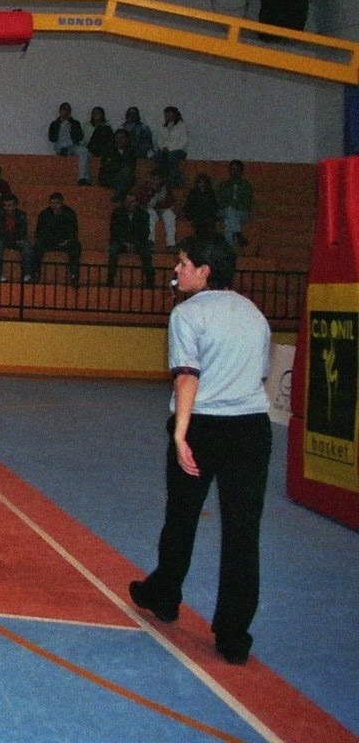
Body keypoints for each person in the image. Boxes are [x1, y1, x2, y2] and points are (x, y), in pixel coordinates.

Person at [129, 235, 272, 665]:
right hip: (252, 429)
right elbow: (259, 376)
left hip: (203, 426)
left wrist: (181, 434)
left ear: (205, 271)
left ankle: (165, 594)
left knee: (182, 515)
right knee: (243, 532)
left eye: (184, 263)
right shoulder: (254, 314)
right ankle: (233, 634)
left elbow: (187, 377)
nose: (177, 270)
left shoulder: (187, 313)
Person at [30, 192, 82, 285]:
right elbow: (39, 231)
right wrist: (50, 239)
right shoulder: (44, 213)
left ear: (62, 203)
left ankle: (74, 275)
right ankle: (35, 274)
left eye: (57, 203)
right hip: (49, 241)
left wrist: (66, 240)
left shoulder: (69, 213)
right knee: (36, 247)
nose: (54, 206)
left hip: (65, 242)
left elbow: (73, 231)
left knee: (76, 246)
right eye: (52, 203)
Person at [107, 191, 155, 289]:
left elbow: (145, 232)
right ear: (124, 202)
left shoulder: (143, 214)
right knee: (113, 251)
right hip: (121, 241)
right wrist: (125, 243)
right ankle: (110, 278)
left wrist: (134, 243)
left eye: (133, 202)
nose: (131, 204)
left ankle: (150, 281)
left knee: (146, 254)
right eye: (129, 202)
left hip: (138, 242)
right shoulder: (117, 213)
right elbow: (114, 230)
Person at [48, 102, 89, 185]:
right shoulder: (54, 124)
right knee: (61, 147)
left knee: (84, 151)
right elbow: (51, 138)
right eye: (64, 109)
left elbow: (80, 137)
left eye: (68, 110)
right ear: (60, 111)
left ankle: (82, 178)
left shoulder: (75, 123)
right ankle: (63, 151)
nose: (66, 111)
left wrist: (71, 129)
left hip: (72, 146)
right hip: (60, 146)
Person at [218, 160, 255, 247]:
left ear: (241, 171)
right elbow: (220, 201)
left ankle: (228, 248)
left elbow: (247, 202)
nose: (234, 171)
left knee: (228, 223)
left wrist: (234, 205)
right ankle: (238, 233)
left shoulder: (246, 185)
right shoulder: (224, 184)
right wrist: (231, 205)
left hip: (241, 212)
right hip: (225, 210)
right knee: (229, 210)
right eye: (232, 169)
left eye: (237, 169)